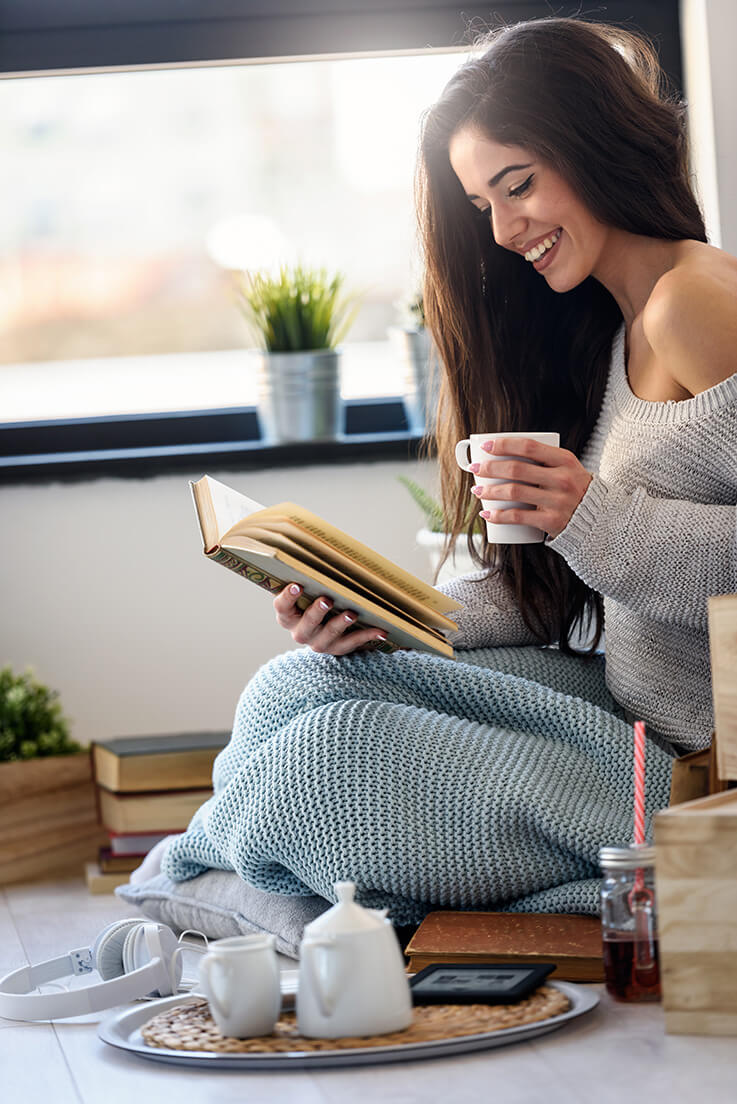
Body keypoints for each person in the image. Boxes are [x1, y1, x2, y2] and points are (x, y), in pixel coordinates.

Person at [161, 17, 737, 923]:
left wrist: (587, 516)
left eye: (518, 185)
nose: (505, 230)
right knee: (298, 684)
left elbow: (630, 542)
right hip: (611, 708)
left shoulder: (691, 305)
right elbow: (573, 572)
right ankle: (226, 875)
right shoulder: (611, 324)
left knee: (329, 765)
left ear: (592, 141)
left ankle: (217, 883)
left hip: (684, 764)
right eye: (483, 206)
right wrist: (376, 607)